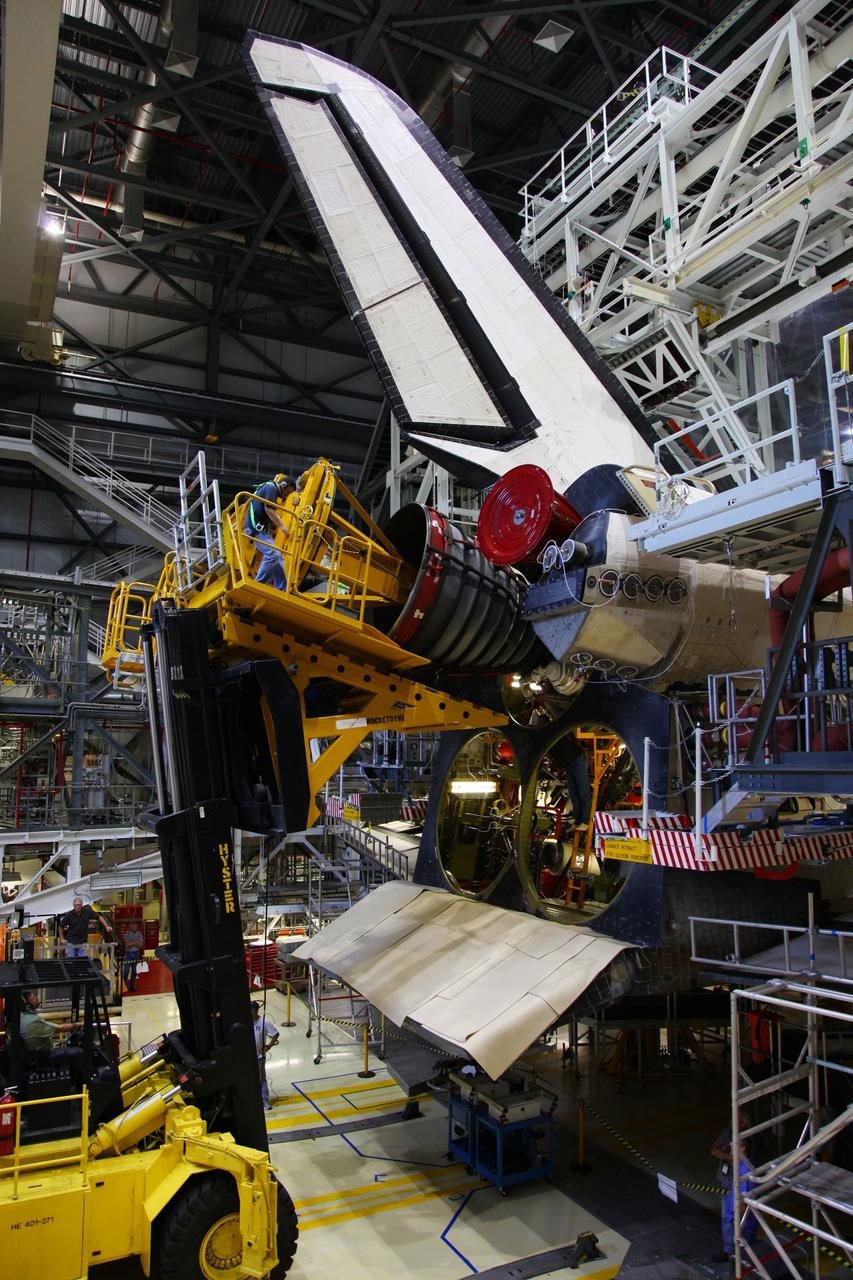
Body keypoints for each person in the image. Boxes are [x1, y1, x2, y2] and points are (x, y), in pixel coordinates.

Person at [711, 1118, 758, 1263]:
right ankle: (730, 1251)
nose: (730, 1144)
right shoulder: (728, 1131)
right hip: (730, 1195)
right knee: (727, 1218)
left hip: (742, 1228)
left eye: (735, 1144)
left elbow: (744, 1208)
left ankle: (739, 1257)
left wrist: (735, 1216)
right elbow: (714, 1150)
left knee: (741, 1231)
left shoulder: (745, 1174)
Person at [244, 474, 295, 591]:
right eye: (287, 492)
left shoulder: (269, 489)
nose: (286, 496)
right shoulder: (271, 488)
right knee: (273, 554)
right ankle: (258, 585)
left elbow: (270, 509)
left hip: (261, 530)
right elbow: (268, 509)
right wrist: (282, 527)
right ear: (283, 485)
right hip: (256, 529)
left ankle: (282, 589)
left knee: (278, 556)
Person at [19, 992, 83, 1067]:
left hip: (35, 1053)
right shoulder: (33, 1020)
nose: (37, 998)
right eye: (33, 997)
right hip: (42, 1056)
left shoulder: (22, 1016)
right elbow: (60, 1028)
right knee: (78, 1052)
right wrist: (80, 1024)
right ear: (27, 1004)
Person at [251, 999, 279, 1111]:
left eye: (252, 1010)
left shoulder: (264, 1022)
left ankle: (264, 1101)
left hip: (259, 1057)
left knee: (261, 1079)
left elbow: (276, 1034)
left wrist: (268, 1046)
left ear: (256, 1010)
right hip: (247, 1057)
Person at [122, 922, 144, 992]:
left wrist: (132, 942)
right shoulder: (127, 934)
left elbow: (140, 945)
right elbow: (128, 944)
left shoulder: (139, 934)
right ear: (131, 926)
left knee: (134, 972)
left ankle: (131, 986)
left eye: (136, 925)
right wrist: (136, 942)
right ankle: (124, 986)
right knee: (126, 971)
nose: (135, 927)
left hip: (136, 954)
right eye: (133, 925)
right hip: (128, 954)